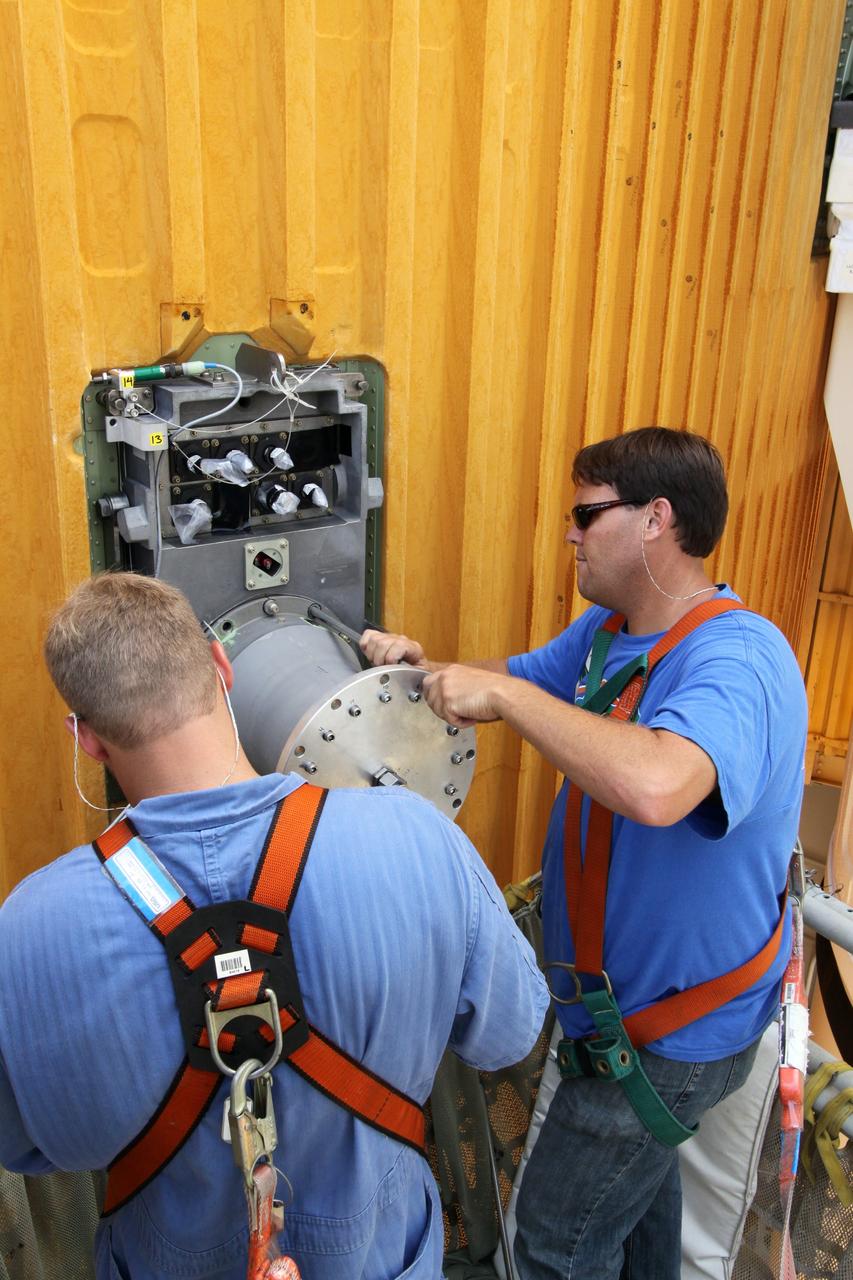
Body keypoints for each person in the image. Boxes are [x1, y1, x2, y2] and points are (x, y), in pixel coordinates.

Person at [0, 572, 549, 1280]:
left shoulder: (28, 928)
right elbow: (508, 1033)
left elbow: (34, 1147)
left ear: (88, 742)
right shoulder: (416, 834)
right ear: (221, 671)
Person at [361, 426, 808, 1280]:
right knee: (637, 1217)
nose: (569, 532)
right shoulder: (608, 634)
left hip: (671, 1038)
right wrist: (426, 672)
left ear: (655, 521)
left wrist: (501, 693)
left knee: (555, 1246)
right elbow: (508, 686)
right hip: (625, 1023)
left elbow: (658, 785)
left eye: (585, 512)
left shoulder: (735, 656)